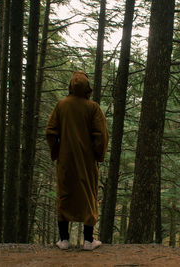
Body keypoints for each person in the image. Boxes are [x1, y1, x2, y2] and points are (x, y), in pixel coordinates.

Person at [46, 71, 109, 251]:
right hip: (86, 161)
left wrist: (57, 151)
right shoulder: (93, 108)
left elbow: (51, 132)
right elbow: (101, 135)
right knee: (88, 194)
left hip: (65, 160)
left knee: (65, 194)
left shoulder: (61, 106)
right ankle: (88, 240)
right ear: (87, 87)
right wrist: (97, 155)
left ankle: (63, 240)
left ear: (71, 86)